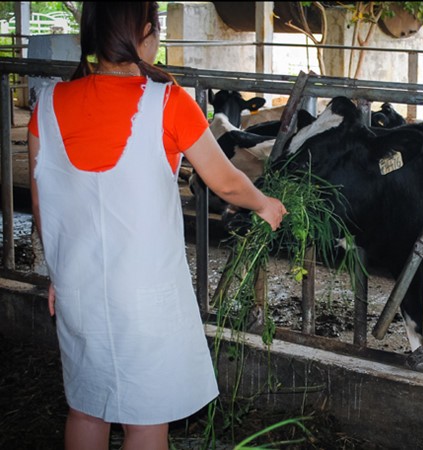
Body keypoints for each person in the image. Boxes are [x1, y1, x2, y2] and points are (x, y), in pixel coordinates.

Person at [27, 2, 287, 449]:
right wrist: (265, 204)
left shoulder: (47, 106)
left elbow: (42, 205)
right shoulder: (167, 103)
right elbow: (225, 180)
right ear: (146, 32)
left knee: (86, 408)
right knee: (146, 419)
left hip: (78, 286)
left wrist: (56, 272)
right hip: (146, 298)